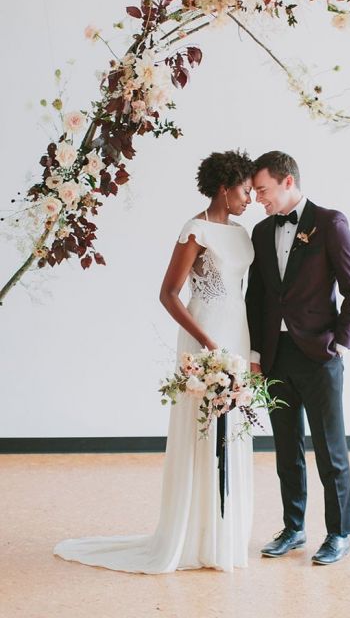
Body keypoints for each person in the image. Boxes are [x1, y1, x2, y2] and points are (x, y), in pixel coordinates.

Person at [53, 149, 255, 573]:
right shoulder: (195, 230)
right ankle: (194, 534)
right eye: (245, 190)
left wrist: (243, 349)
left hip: (237, 332)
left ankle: (223, 534)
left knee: (232, 428)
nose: (250, 198)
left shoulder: (241, 233)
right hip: (206, 336)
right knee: (203, 429)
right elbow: (168, 293)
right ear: (225, 186)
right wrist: (207, 342)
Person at [246, 151, 350, 565]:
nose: (257, 197)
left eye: (262, 189)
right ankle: (294, 528)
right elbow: (257, 296)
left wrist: (339, 342)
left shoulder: (330, 223)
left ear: (287, 182)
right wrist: (257, 353)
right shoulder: (261, 233)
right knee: (286, 448)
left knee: (330, 449)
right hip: (276, 357)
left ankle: (339, 533)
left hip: (319, 354)